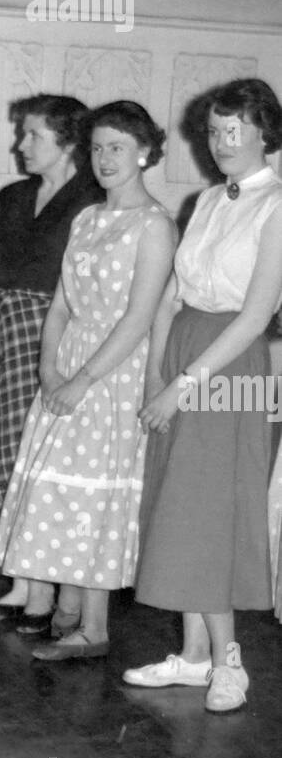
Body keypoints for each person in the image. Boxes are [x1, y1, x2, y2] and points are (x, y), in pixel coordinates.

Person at [0, 102, 177, 660]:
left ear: (144, 152)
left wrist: (83, 380)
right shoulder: (87, 218)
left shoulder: (156, 225)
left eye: (117, 147)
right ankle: (67, 611)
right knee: (57, 488)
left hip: (113, 373)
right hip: (69, 361)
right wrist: (50, 368)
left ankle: (94, 628)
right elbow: (62, 305)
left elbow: (139, 318)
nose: (104, 159)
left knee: (96, 495)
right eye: (96, 147)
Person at [127, 79, 282, 710]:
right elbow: (173, 296)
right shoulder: (208, 200)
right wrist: (159, 376)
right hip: (187, 349)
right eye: (214, 132)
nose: (220, 143)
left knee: (211, 509)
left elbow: (256, 313)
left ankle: (231, 663)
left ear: (265, 133)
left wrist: (186, 386)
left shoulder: (276, 205)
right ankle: (193, 656)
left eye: (234, 131)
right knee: (179, 503)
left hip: (231, 368)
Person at [0, 95, 103, 629]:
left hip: (55, 334)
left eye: (33, 136)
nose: (21, 145)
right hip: (4, 326)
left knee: (39, 459)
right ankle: (20, 583)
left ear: (67, 143)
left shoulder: (91, 200)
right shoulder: (13, 197)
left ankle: (42, 588)